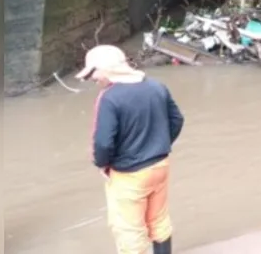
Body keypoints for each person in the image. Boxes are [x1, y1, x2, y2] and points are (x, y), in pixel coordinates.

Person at [75, 45, 185, 254]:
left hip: (129, 174)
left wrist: (102, 164)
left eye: (93, 73)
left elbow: (103, 143)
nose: (93, 79)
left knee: (129, 230)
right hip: (160, 165)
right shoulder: (156, 86)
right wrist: (161, 144)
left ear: (106, 69)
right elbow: (177, 120)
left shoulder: (110, 98)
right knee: (159, 221)